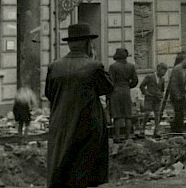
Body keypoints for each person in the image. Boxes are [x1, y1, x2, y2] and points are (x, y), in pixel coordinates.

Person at [45, 23, 113, 188]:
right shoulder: (94, 66)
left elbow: (49, 93)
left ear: (69, 44)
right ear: (87, 44)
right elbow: (108, 87)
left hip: (60, 125)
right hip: (87, 126)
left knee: (63, 171)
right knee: (83, 173)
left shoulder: (54, 67)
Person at [107, 48, 139, 141]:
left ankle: (117, 137)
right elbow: (135, 80)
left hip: (116, 91)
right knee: (127, 115)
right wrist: (128, 86)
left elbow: (110, 81)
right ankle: (128, 137)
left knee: (116, 115)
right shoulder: (131, 66)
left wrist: (109, 93)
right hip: (126, 91)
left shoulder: (113, 67)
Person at [138, 63, 168, 137]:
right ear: (158, 69)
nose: (164, 72)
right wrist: (146, 93)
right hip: (149, 98)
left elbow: (162, 89)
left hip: (157, 99)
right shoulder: (150, 77)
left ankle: (156, 131)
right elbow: (142, 86)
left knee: (157, 114)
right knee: (147, 113)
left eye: (165, 71)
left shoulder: (162, 79)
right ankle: (142, 129)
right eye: (163, 70)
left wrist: (160, 94)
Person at [166, 52, 186, 135]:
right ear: (183, 60)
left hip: (179, 93)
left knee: (180, 112)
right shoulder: (178, 69)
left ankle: (177, 127)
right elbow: (174, 83)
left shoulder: (181, 69)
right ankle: (177, 129)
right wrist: (177, 95)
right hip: (177, 94)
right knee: (179, 112)